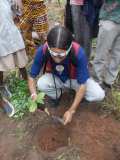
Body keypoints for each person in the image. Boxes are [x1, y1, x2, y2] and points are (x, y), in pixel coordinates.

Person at [28, 26, 105, 125]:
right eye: (53, 53)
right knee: (41, 83)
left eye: (61, 55)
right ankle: (58, 94)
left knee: (98, 94)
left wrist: (71, 111)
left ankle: (77, 95)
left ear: (69, 48)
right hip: (57, 78)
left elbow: (83, 85)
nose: (57, 58)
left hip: (75, 80)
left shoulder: (78, 53)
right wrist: (34, 94)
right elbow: (31, 77)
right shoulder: (43, 51)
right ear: (48, 46)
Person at [0, 0, 28, 117]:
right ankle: (1, 97)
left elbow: (18, 13)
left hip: (12, 34)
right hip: (1, 40)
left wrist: (17, 4)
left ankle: (27, 83)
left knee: (21, 62)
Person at [93, 0, 120, 89]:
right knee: (101, 53)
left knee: (117, 55)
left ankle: (109, 81)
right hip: (110, 17)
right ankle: (96, 81)